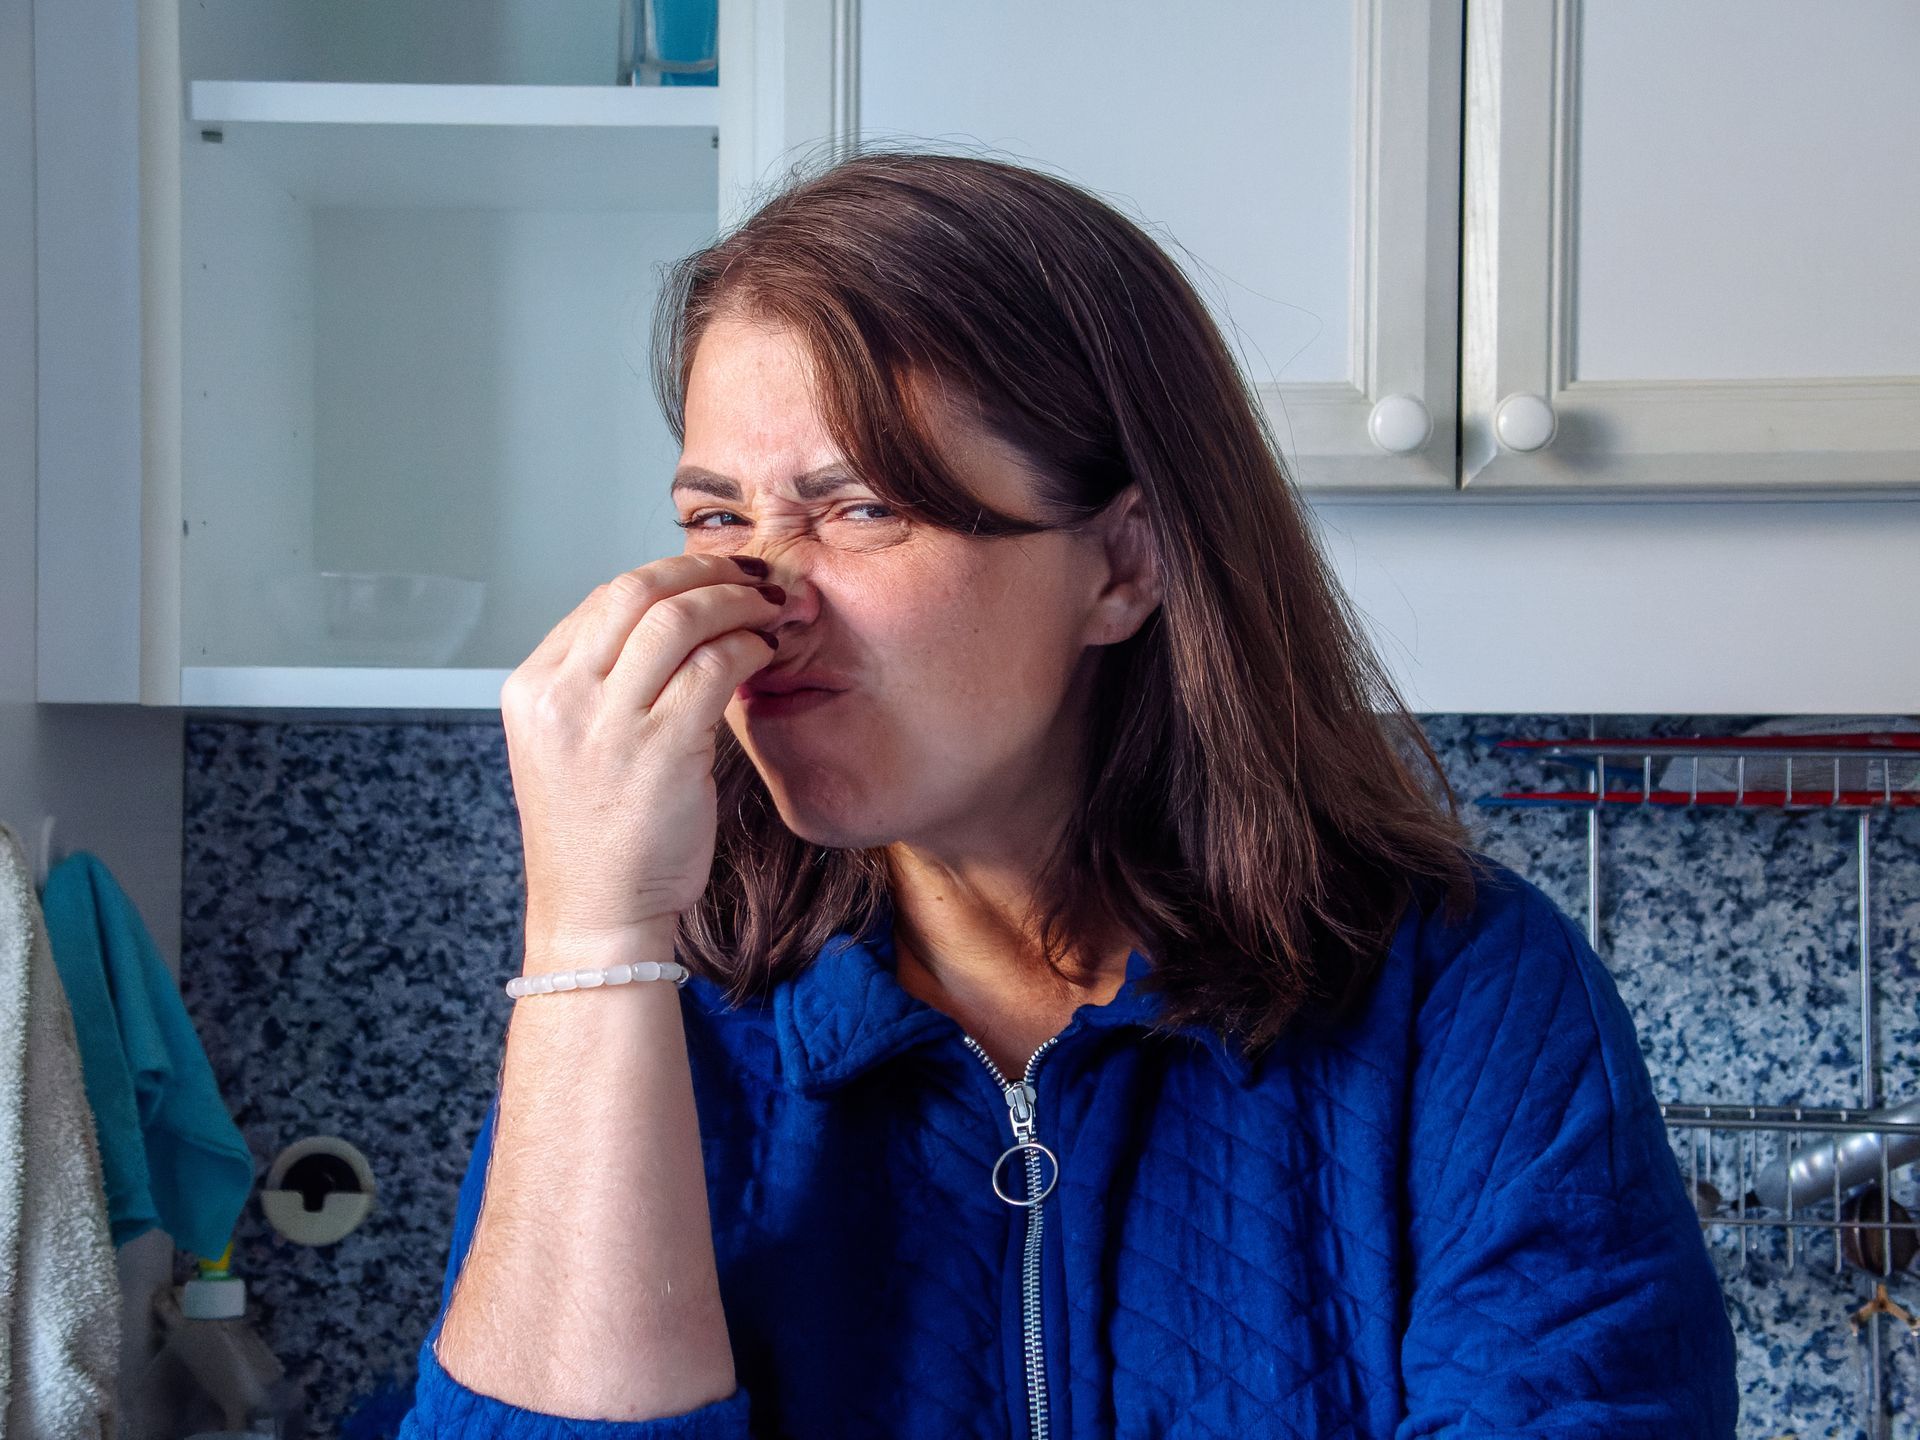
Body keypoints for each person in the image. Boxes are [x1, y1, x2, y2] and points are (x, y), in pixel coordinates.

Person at [396, 146, 1738, 1438]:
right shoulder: (663, 1012)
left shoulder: (1464, 994)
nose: (763, 600)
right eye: (715, 519)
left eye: (859, 508)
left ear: (1123, 565)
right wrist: (588, 944)